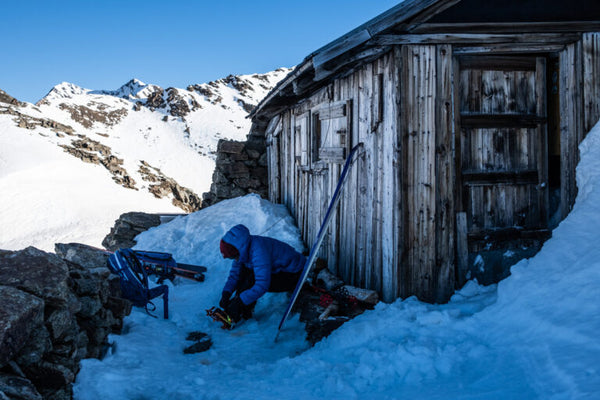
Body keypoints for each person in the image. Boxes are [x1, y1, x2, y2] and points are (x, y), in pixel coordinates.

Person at [218, 224, 306, 323]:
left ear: (238, 249)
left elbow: (262, 285)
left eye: (232, 257)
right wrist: (226, 293)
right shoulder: (244, 249)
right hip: (278, 270)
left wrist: (239, 302)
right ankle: (238, 309)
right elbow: (235, 276)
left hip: (296, 275)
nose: (234, 259)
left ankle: (242, 310)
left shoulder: (259, 251)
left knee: (251, 279)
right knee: (243, 272)